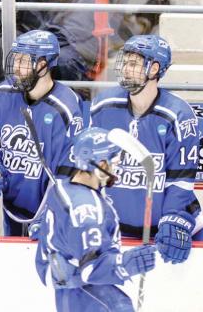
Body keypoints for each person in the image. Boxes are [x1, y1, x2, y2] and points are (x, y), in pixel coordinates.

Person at [90, 34, 201, 264]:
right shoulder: (103, 106)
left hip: (164, 226)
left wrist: (174, 220)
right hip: (117, 230)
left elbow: (180, 183)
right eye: (125, 62)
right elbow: (86, 167)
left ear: (154, 69)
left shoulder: (179, 116)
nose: (126, 69)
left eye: (134, 64)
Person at [33, 127, 156, 312]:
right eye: (113, 163)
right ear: (100, 165)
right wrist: (126, 263)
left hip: (71, 288)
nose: (115, 170)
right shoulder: (88, 211)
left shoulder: (64, 187)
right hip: (82, 292)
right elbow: (90, 269)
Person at [0, 30, 84, 235]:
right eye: (15, 60)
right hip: (7, 207)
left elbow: (70, 170)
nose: (16, 68)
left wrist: (52, 213)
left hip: (48, 208)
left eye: (23, 61)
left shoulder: (66, 107)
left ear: (43, 64)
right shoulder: (1, 94)